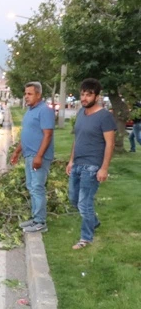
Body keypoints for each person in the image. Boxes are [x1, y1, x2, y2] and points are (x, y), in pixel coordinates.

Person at [66, 78, 117, 250]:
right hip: (78, 163)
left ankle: (86, 238)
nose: (84, 98)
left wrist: (104, 168)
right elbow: (77, 138)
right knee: (73, 198)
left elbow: (110, 144)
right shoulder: (81, 113)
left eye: (89, 94)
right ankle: (93, 222)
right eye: (82, 94)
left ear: (96, 96)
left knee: (84, 203)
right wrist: (71, 160)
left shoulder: (105, 116)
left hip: (93, 165)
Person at [10, 81, 55, 233]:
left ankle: (40, 222)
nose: (26, 97)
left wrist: (39, 156)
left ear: (38, 95)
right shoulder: (30, 111)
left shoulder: (45, 111)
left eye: (29, 94)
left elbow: (47, 135)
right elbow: (27, 135)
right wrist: (17, 152)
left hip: (38, 157)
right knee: (31, 187)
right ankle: (35, 218)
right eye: (25, 93)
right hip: (29, 155)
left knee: (37, 188)